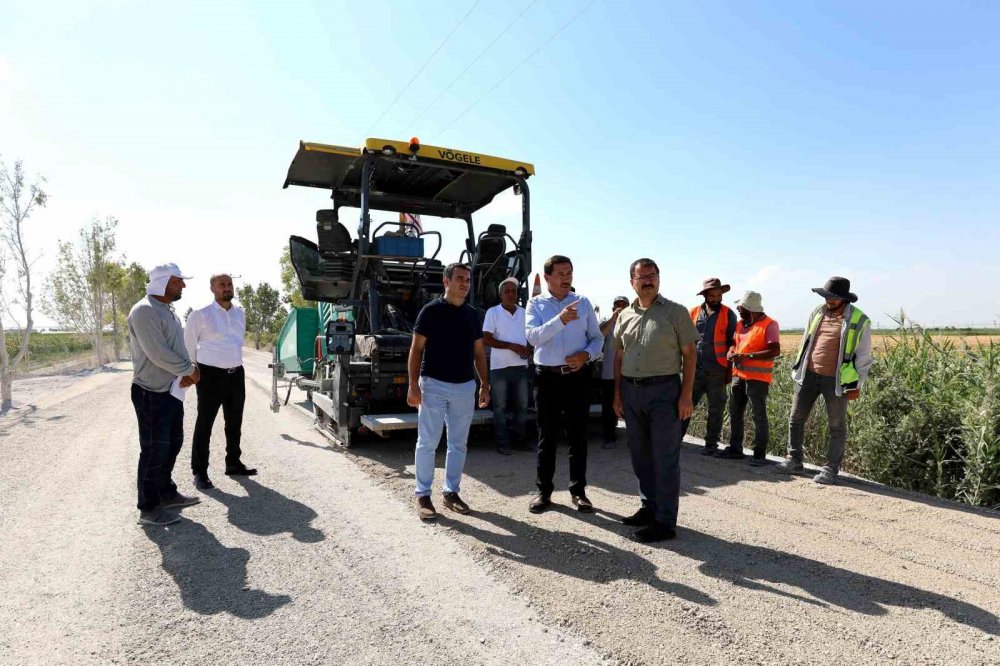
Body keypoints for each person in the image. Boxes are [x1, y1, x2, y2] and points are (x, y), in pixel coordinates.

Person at [613, 258, 699, 542]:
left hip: (665, 393)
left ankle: (665, 522)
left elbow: (690, 355)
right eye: (642, 277)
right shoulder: (625, 315)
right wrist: (617, 394)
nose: (648, 280)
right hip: (631, 391)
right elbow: (619, 355)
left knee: (665, 458)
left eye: (653, 275)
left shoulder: (675, 312)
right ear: (632, 283)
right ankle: (648, 508)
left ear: (659, 279)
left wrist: (686, 395)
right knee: (640, 456)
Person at [407, 263, 490, 520]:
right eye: (459, 279)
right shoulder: (430, 312)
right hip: (434, 385)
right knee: (428, 442)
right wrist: (412, 385)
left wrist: (484, 385)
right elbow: (416, 349)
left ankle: (451, 493)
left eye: (468, 279)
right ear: (446, 282)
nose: (464, 283)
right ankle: (423, 495)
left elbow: (479, 353)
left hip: (465, 387)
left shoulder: (472, 315)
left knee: (458, 444)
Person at [525, 255, 603, 514]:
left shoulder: (583, 303)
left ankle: (578, 492)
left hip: (577, 378)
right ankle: (543, 492)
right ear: (547, 277)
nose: (566, 278)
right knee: (546, 437)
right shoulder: (535, 304)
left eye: (569, 273)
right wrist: (560, 320)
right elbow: (534, 337)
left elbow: (596, 339)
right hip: (546, 379)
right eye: (560, 274)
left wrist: (586, 356)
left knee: (578, 437)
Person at [777, 276, 872, 484]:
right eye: (826, 296)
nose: (828, 300)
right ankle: (794, 460)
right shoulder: (817, 312)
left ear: (844, 299)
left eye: (833, 297)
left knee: (836, 426)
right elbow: (806, 341)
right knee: (796, 418)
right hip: (808, 374)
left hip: (837, 380)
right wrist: (799, 368)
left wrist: (857, 385)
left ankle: (830, 469)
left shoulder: (859, 320)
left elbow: (864, 356)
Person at [127, 263, 202, 526]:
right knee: (153, 450)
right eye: (177, 281)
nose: (183, 285)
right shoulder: (145, 311)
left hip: (170, 391)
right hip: (150, 393)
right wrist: (189, 370)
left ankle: (166, 493)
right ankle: (148, 508)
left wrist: (186, 373)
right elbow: (157, 353)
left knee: (173, 443)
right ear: (162, 282)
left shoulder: (168, 311)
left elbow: (177, 348)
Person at [184, 273, 256, 491]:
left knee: (234, 422)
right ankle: (199, 471)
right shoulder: (200, 315)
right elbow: (189, 345)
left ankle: (233, 463)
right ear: (212, 289)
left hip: (236, 373)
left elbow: (236, 343)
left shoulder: (239, 314)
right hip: (209, 376)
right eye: (222, 284)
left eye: (230, 284)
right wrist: (191, 369)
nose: (227, 288)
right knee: (205, 423)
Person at [715, 291, 780, 465]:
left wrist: (748, 356)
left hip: (757, 379)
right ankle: (735, 449)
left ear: (751, 308)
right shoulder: (740, 324)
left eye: (741, 308)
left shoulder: (769, 324)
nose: (739, 310)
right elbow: (735, 344)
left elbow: (774, 351)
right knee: (735, 412)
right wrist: (731, 351)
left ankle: (759, 454)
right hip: (739, 376)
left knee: (759, 416)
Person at [681, 277, 737, 456]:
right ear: (705, 295)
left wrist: (731, 352)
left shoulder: (729, 314)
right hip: (694, 368)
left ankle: (711, 444)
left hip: (717, 370)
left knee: (716, 408)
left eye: (718, 295)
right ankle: (675, 439)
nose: (715, 299)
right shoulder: (693, 312)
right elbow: (685, 339)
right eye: (712, 295)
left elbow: (733, 341)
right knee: (685, 404)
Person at [482, 277, 531, 455]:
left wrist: (529, 350)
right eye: (507, 291)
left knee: (522, 406)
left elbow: (531, 336)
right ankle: (502, 442)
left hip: (520, 367)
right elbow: (486, 338)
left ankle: (519, 441)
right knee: (500, 407)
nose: (511, 294)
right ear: (500, 294)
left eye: (514, 291)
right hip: (499, 368)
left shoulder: (524, 312)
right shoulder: (493, 312)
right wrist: (510, 346)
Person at [599, 296, 631, 449]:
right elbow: (600, 336)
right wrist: (613, 319)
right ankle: (609, 437)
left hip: (629, 373)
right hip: (609, 374)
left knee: (631, 407)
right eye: (618, 306)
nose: (621, 308)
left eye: (624, 306)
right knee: (608, 408)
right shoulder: (607, 324)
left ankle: (633, 440)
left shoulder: (634, 323)